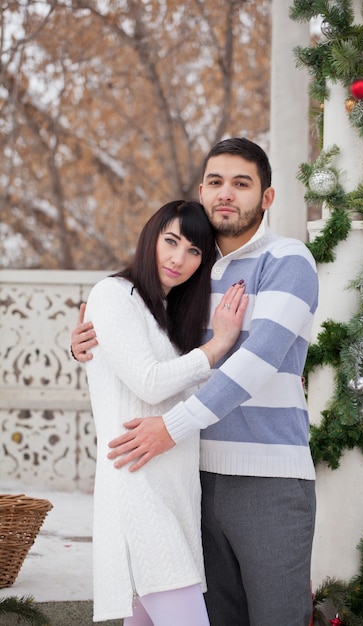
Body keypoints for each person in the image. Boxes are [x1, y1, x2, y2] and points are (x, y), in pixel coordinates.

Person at [72, 138, 319, 626]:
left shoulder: (288, 260)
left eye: (241, 184)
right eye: (215, 182)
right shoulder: (188, 279)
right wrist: (89, 341)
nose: (226, 193)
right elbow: (149, 353)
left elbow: (255, 361)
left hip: (266, 477)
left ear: (266, 198)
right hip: (191, 479)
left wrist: (171, 428)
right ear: (201, 192)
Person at [82, 199, 248, 626]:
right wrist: (218, 346)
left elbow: (192, 394)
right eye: (171, 241)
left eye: (194, 251)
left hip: (175, 499)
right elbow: (149, 382)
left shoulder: (170, 320)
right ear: (150, 237)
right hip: (140, 496)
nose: (179, 259)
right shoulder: (113, 295)